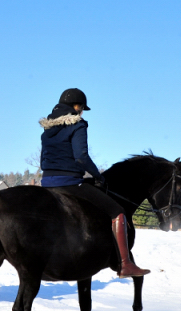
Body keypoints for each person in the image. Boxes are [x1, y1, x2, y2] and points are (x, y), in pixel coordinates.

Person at [39, 88, 149, 278]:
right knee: (118, 212)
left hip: (47, 183)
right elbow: (81, 157)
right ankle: (125, 264)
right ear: (76, 106)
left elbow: (43, 161)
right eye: (81, 108)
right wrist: (98, 176)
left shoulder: (48, 129)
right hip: (70, 183)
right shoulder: (78, 125)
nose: (81, 112)